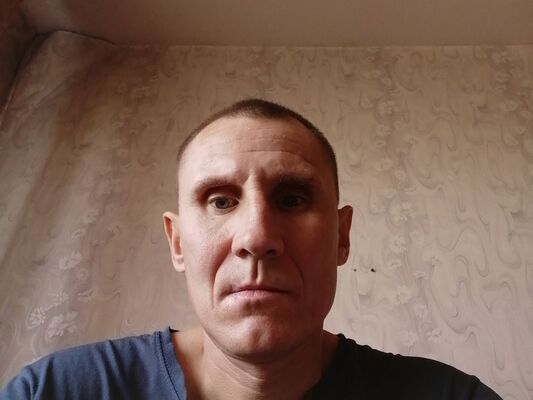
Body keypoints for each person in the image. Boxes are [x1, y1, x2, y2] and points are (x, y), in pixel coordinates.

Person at [0, 99, 501, 399]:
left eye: (292, 199)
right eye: (220, 201)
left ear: (342, 236)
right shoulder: (54, 392)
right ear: (178, 242)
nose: (257, 237)